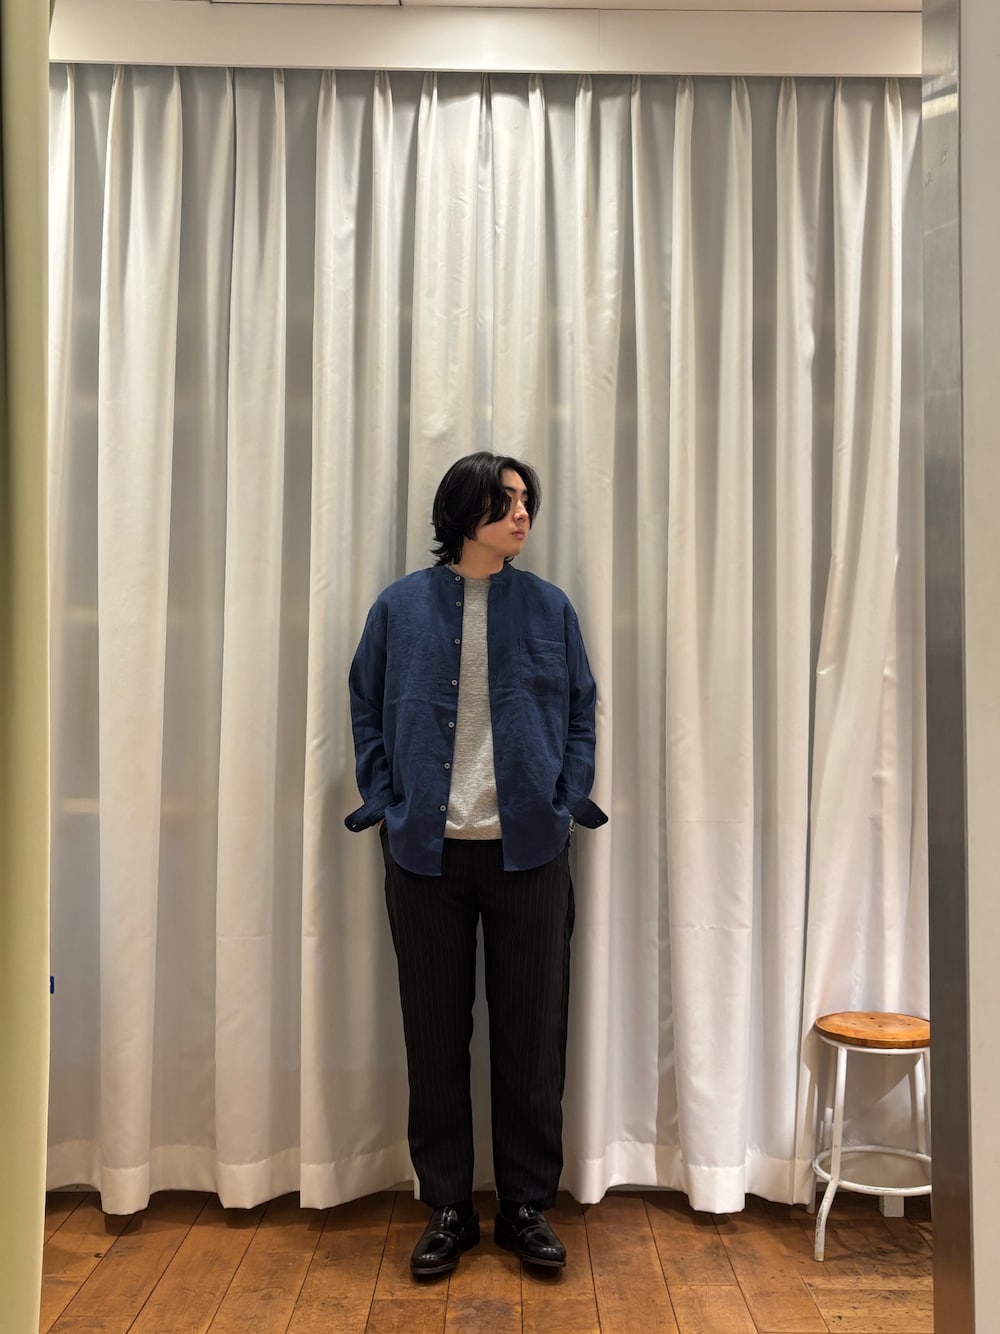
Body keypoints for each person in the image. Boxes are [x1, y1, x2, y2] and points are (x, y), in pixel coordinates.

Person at [345, 452, 607, 1277]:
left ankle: (525, 1206)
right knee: (433, 1036)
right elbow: (364, 706)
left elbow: (581, 712)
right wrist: (387, 798)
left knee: (533, 1037)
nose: (524, 515)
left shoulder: (550, 608)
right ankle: (449, 1208)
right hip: (425, 856)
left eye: (528, 501)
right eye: (507, 501)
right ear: (465, 512)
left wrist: (564, 797)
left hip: (530, 852)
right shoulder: (399, 609)